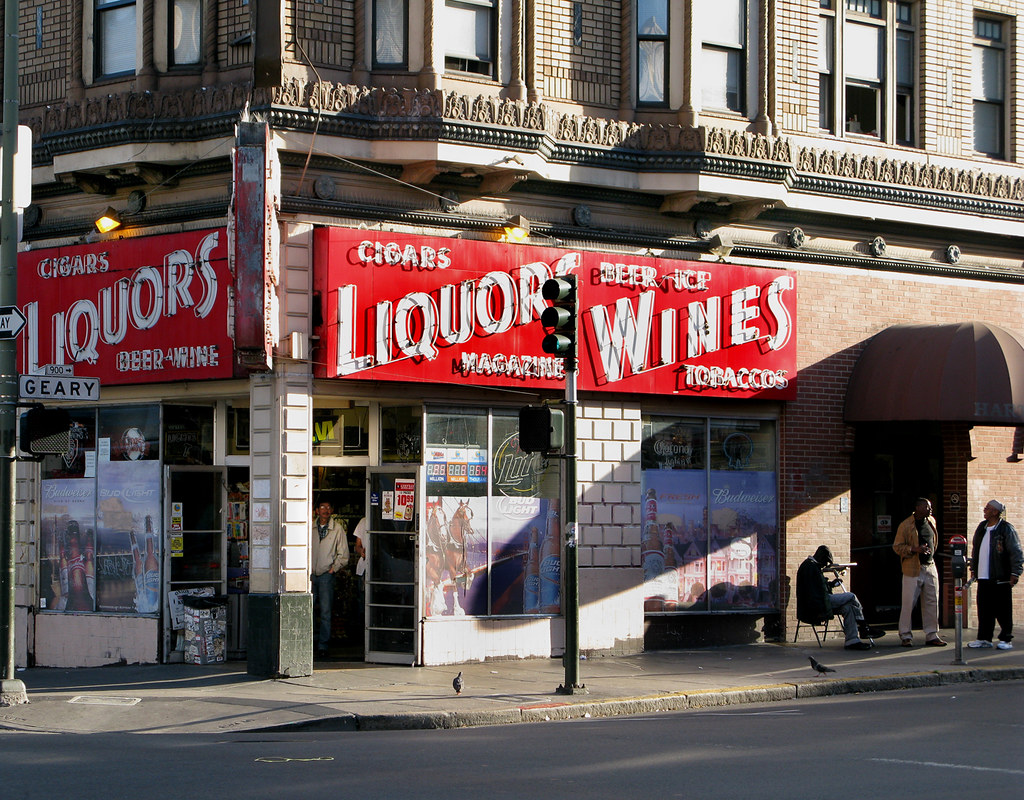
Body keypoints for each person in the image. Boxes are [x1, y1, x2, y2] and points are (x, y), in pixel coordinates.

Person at [796, 545, 885, 650]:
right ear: (821, 557)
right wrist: (826, 590)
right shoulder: (810, 567)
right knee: (851, 596)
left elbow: (818, 586)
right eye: (825, 562)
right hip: (817, 603)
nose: (825, 565)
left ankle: (852, 641)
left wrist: (831, 585)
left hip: (820, 600)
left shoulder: (812, 566)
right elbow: (814, 591)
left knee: (848, 607)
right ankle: (864, 627)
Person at [968, 500, 1023, 650]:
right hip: (984, 577)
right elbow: (975, 550)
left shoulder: (1006, 529)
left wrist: (1015, 572)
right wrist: (974, 568)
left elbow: (1015, 551)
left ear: (995, 512)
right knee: (984, 610)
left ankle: (1006, 639)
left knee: (1003, 610)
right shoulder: (982, 528)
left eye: (988, 508)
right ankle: (984, 638)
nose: (984, 510)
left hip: (1001, 577)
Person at [893, 498, 946, 647]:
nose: (930, 509)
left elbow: (934, 541)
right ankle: (905, 635)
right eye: (927, 507)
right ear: (917, 508)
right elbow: (897, 547)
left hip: (930, 566)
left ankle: (932, 634)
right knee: (909, 603)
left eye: (930, 507)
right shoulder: (905, 525)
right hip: (912, 568)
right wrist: (914, 549)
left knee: (932, 601)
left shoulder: (931, 521)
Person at [311, 499, 349, 658]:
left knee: (326, 612)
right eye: (322, 507)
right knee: (308, 610)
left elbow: (344, 554)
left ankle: (323, 646)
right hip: (310, 575)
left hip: (326, 574)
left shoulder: (337, 529)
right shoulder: (309, 527)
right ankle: (309, 642)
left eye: (328, 507)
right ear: (316, 510)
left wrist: (333, 569)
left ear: (332, 510)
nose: (325, 510)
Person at [352, 516, 367, 612]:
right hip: (364, 567)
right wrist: (361, 551)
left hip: (382, 565)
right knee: (363, 600)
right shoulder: (363, 521)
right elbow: (357, 546)